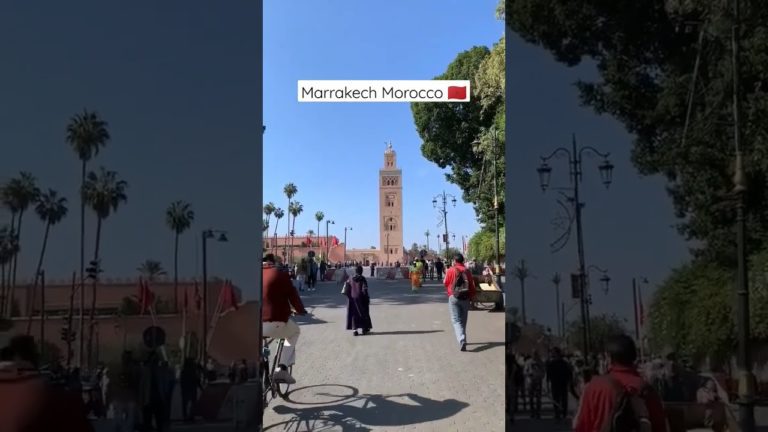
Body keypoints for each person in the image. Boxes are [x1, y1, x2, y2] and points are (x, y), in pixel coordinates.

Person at [573, 334, 667, 432]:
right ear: (633, 356)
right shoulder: (645, 388)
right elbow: (659, 426)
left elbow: (581, 426)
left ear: (608, 358)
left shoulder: (594, 387)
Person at [263, 254, 308, 384]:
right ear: (273, 263)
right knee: (294, 332)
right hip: (274, 321)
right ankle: (282, 368)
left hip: (251, 323)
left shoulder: (251, 275)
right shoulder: (280, 275)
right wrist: (300, 310)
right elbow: (293, 297)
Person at [442, 253, 476, 351]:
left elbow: (445, 283)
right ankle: (463, 337)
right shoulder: (467, 271)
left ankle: (461, 339)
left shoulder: (450, 270)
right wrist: (472, 297)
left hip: (453, 297)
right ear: (462, 261)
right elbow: (471, 285)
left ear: (454, 261)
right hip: (465, 297)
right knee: (463, 320)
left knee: (456, 320)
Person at [343, 265, 373, 336]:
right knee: (363, 313)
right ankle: (364, 329)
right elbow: (364, 290)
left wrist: (349, 297)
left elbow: (346, 289)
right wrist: (367, 298)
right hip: (361, 298)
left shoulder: (350, 278)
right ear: (361, 271)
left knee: (353, 314)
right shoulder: (362, 279)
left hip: (352, 298)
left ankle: (354, 330)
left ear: (355, 271)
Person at [546, 347, 573, 420]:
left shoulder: (564, 363)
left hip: (562, 383)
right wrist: (548, 384)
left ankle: (564, 413)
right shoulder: (551, 363)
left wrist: (569, 383)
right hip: (555, 383)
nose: (553, 354)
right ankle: (557, 413)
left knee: (563, 399)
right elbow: (548, 375)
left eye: (554, 352)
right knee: (556, 399)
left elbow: (569, 374)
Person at [180, 357, 202, 422]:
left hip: (188, 388)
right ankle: (190, 416)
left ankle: (187, 416)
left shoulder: (184, 371)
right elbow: (196, 380)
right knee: (191, 403)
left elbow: (182, 381)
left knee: (186, 403)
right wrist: (201, 388)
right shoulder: (192, 371)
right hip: (191, 388)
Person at [524, 352, 545, 418]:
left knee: (538, 398)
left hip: (538, 382)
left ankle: (538, 412)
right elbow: (524, 371)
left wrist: (540, 377)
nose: (535, 355)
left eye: (536, 354)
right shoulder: (528, 362)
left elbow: (543, 372)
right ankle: (532, 412)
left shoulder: (541, 362)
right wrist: (528, 374)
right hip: (530, 382)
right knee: (531, 398)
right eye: (533, 354)